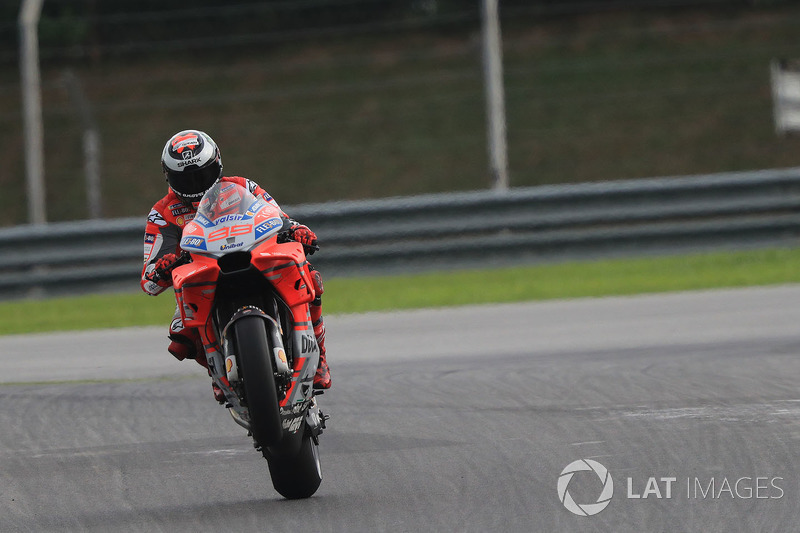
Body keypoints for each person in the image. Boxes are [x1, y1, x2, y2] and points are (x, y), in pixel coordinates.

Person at [140, 130, 331, 399]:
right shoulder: (162, 213)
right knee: (181, 336)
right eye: (185, 178)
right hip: (203, 276)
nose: (195, 184)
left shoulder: (242, 186)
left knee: (309, 277)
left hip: (255, 258)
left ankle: (319, 358)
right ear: (169, 177)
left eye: (201, 175)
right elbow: (149, 278)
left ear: (216, 166)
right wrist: (164, 266)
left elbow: (278, 217)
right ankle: (218, 372)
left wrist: (297, 230)